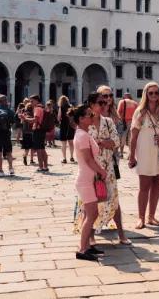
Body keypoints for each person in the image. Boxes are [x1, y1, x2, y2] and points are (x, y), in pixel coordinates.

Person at [74, 90, 130, 245]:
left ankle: (121, 234)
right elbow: (84, 146)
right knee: (91, 202)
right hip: (91, 168)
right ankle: (90, 236)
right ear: (91, 105)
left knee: (113, 199)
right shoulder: (86, 124)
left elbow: (117, 141)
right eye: (101, 102)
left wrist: (104, 143)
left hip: (108, 167)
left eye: (106, 102)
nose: (105, 104)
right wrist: (105, 143)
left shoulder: (108, 121)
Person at [128, 82, 159, 229]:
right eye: (150, 93)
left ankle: (151, 216)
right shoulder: (140, 112)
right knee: (144, 186)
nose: (154, 96)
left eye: (156, 93)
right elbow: (133, 136)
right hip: (144, 152)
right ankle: (140, 217)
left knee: (157, 184)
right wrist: (132, 156)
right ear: (146, 94)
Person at [71, 104, 107, 261]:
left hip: (87, 178)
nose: (92, 116)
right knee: (91, 213)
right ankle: (83, 249)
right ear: (81, 119)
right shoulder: (82, 135)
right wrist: (101, 170)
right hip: (86, 179)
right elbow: (88, 159)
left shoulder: (83, 133)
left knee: (91, 213)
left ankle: (86, 246)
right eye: (89, 115)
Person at [28, 95, 49, 173]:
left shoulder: (37, 108)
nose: (30, 103)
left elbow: (35, 120)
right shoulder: (42, 108)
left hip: (38, 130)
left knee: (39, 149)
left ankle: (40, 167)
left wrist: (25, 119)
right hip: (42, 130)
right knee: (42, 149)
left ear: (36, 100)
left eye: (32, 101)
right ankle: (45, 166)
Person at [116, 92, 139, 157]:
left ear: (124, 96)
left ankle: (121, 153)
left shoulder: (122, 102)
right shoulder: (135, 103)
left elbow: (118, 112)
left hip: (124, 122)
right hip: (133, 122)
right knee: (131, 138)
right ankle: (130, 154)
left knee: (122, 138)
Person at [58, 95, 76, 164]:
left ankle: (64, 158)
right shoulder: (71, 107)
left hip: (63, 126)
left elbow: (59, 117)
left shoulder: (61, 108)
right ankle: (71, 157)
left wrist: (59, 120)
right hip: (70, 126)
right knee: (71, 142)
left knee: (63, 143)